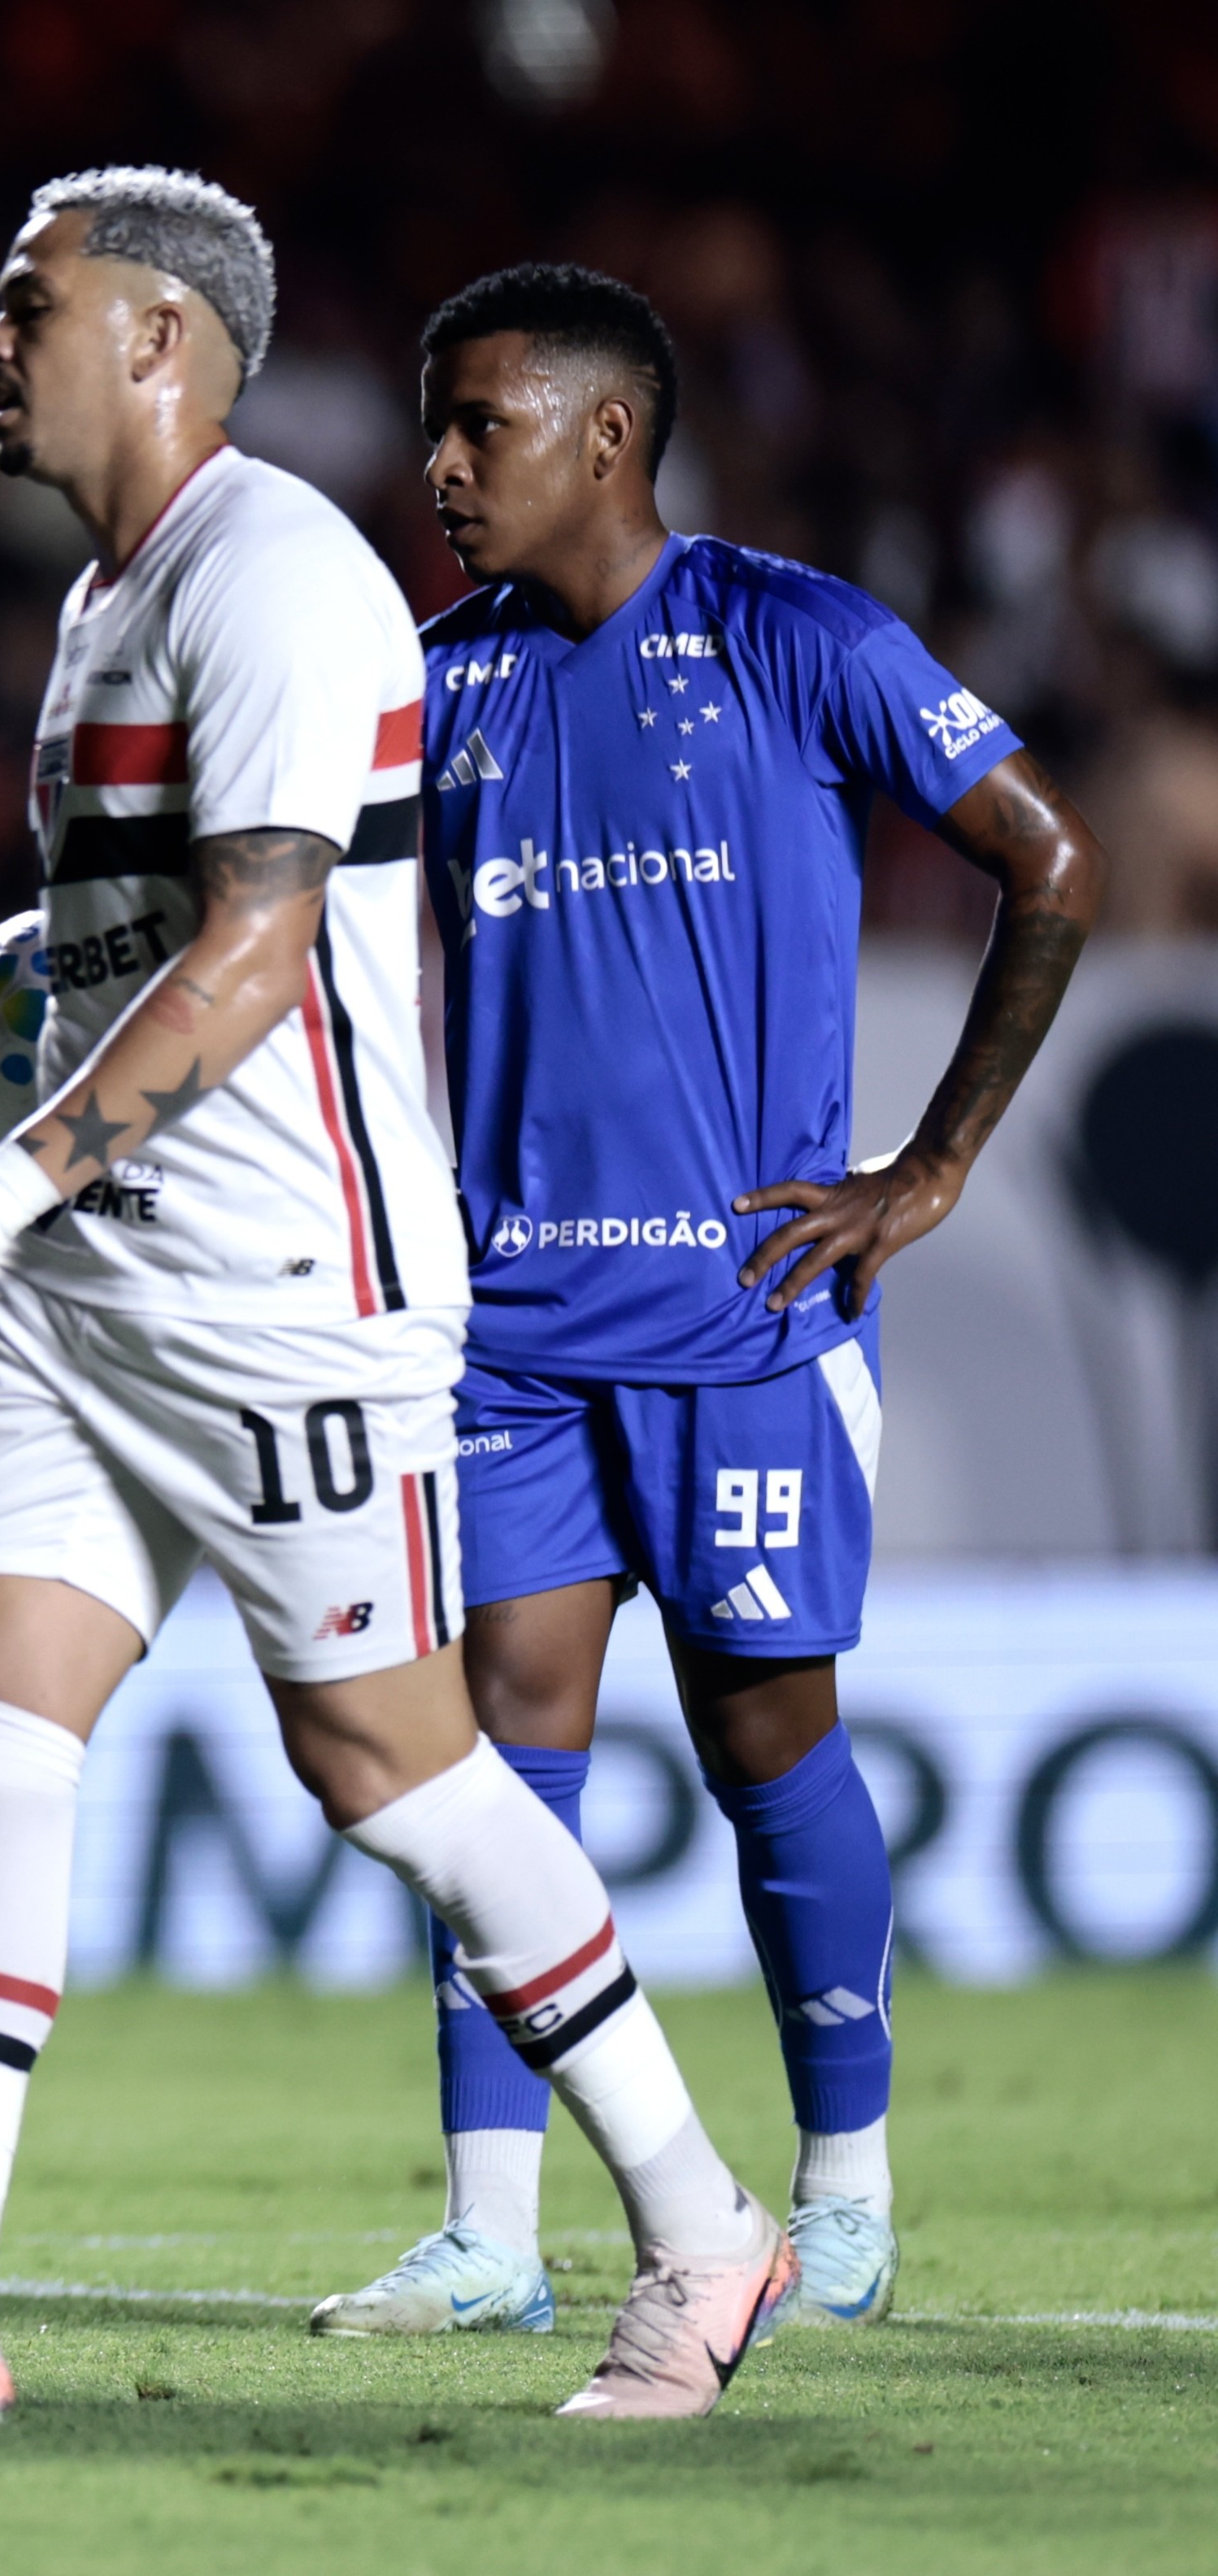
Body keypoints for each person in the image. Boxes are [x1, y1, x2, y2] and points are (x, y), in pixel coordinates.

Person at [0, 168, 792, 2432]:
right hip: (92, 1291)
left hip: (291, 1289)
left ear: (162, 337)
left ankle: (705, 2228)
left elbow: (263, 950)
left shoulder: (276, 573)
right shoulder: (109, 595)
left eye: (31, 306)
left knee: (391, 1766)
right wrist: (32, 1039)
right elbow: (145, 939)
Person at [308, 264, 1099, 2341]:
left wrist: (922, 1175)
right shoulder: (435, 675)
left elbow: (1055, 861)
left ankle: (844, 2190)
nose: (444, 466)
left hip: (747, 1319)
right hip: (505, 1331)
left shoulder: (793, 635)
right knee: (494, 1765)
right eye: (435, 423)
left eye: (480, 424)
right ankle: (490, 2230)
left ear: (608, 436)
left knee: (772, 1746)